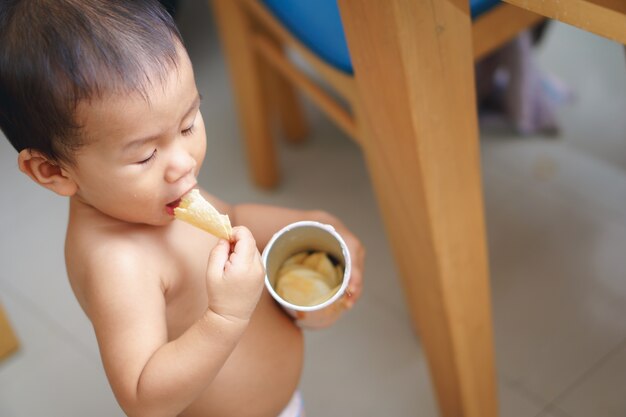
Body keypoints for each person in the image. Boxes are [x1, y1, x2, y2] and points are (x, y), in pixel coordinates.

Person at [0, 1, 364, 417]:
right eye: (145, 154)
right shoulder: (117, 262)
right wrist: (226, 315)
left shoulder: (158, 191)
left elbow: (235, 220)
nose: (183, 161)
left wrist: (308, 223)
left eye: (189, 123)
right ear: (52, 170)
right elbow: (143, 397)